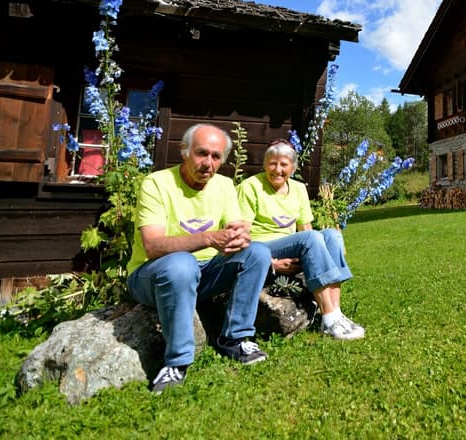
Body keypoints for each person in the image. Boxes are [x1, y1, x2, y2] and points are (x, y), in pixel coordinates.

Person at [127, 124, 272, 394]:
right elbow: (152, 246)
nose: (208, 163)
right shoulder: (157, 183)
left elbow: (237, 227)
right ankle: (177, 361)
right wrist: (208, 238)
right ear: (185, 151)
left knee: (258, 253)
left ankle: (234, 339)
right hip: (152, 275)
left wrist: (241, 237)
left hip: (204, 272)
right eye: (201, 153)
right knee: (181, 264)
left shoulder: (224, 185)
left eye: (216, 156)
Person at [237, 139, 365, 341]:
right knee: (311, 238)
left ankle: (336, 314)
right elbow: (241, 235)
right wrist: (271, 263)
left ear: (293, 168)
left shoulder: (298, 189)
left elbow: (306, 228)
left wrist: (315, 254)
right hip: (262, 249)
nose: (277, 169)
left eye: (284, 164)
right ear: (265, 165)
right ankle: (330, 318)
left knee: (332, 235)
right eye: (272, 163)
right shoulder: (250, 187)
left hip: (292, 245)